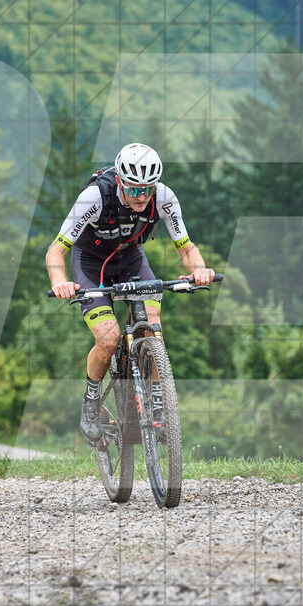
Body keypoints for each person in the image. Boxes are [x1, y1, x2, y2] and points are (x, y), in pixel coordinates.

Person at [46, 143, 215, 443]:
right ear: (121, 182)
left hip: (131, 259)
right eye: (134, 190)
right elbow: (55, 251)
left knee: (152, 327)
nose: (141, 197)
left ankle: (160, 406)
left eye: (147, 190)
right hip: (91, 264)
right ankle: (91, 402)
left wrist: (199, 270)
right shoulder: (95, 197)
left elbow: (187, 248)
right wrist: (60, 281)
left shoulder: (163, 197)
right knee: (109, 339)